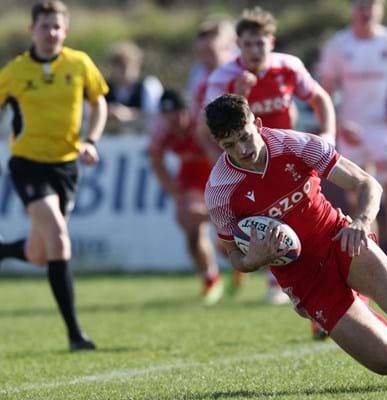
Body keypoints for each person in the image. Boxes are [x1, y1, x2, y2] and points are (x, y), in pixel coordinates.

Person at [204, 93, 387, 382]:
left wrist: (361, 221)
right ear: (219, 144)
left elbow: (367, 184)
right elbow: (234, 256)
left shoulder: (296, 145)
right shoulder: (219, 191)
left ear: (257, 124)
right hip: (305, 282)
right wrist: (253, 260)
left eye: (245, 137)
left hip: (340, 240)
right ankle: (358, 303)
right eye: (230, 145)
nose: (242, 149)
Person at [202, 6, 336, 305]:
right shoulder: (224, 77)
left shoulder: (288, 66)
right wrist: (239, 93)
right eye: (247, 44)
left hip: (289, 158)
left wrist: (328, 135)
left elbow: (319, 97)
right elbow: (212, 125)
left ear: (271, 42)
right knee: (261, 222)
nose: (254, 50)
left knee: (310, 219)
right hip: (248, 163)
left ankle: (320, 284)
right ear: (238, 45)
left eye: (260, 43)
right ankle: (282, 283)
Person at [0, 0, 108, 351]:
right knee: (59, 239)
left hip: (66, 167)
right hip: (28, 164)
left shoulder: (79, 64)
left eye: (57, 26)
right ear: (32, 30)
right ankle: (75, 334)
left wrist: (91, 140)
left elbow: (99, 101)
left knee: (39, 254)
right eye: (45, 26)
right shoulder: (14, 72)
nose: (51, 33)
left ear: (66, 30)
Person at [319, 0, 387, 285]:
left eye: (372, 5)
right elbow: (324, 93)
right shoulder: (338, 45)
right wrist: (339, 124)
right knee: (360, 198)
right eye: (362, 5)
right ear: (353, 9)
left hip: (384, 129)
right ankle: (376, 261)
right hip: (351, 129)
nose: (367, 11)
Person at [148, 89, 223, 304]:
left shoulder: (203, 126)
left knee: (225, 232)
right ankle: (210, 278)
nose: (173, 121)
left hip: (216, 176)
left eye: (177, 115)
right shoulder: (162, 131)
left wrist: (203, 140)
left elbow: (220, 158)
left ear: (187, 111)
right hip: (190, 180)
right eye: (167, 116)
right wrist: (173, 189)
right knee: (191, 230)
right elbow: (156, 161)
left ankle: (230, 255)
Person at [105, 41, 163, 131]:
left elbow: (157, 115)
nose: (125, 71)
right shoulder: (103, 87)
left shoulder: (149, 85)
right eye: (119, 66)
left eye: (127, 66)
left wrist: (130, 114)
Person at [186, 19, 236, 111]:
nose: (204, 58)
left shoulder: (238, 71)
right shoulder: (198, 72)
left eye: (209, 52)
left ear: (227, 46)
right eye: (201, 53)